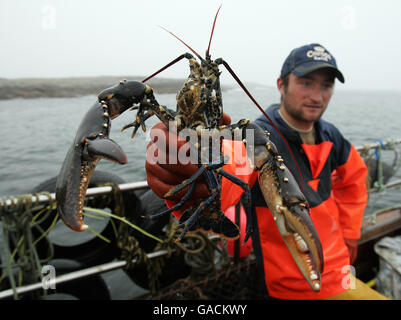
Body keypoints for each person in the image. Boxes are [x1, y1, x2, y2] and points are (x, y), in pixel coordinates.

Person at [145, 43, 388, 300]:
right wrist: (186, 174)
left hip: (342, 270)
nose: (317, 96)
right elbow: (231, 167)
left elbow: (355, 180)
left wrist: (350, 235)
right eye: (306, 83)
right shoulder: (253, 136)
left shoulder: (332, 135)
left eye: (326, 86)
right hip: (290, 288)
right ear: (281, 84)